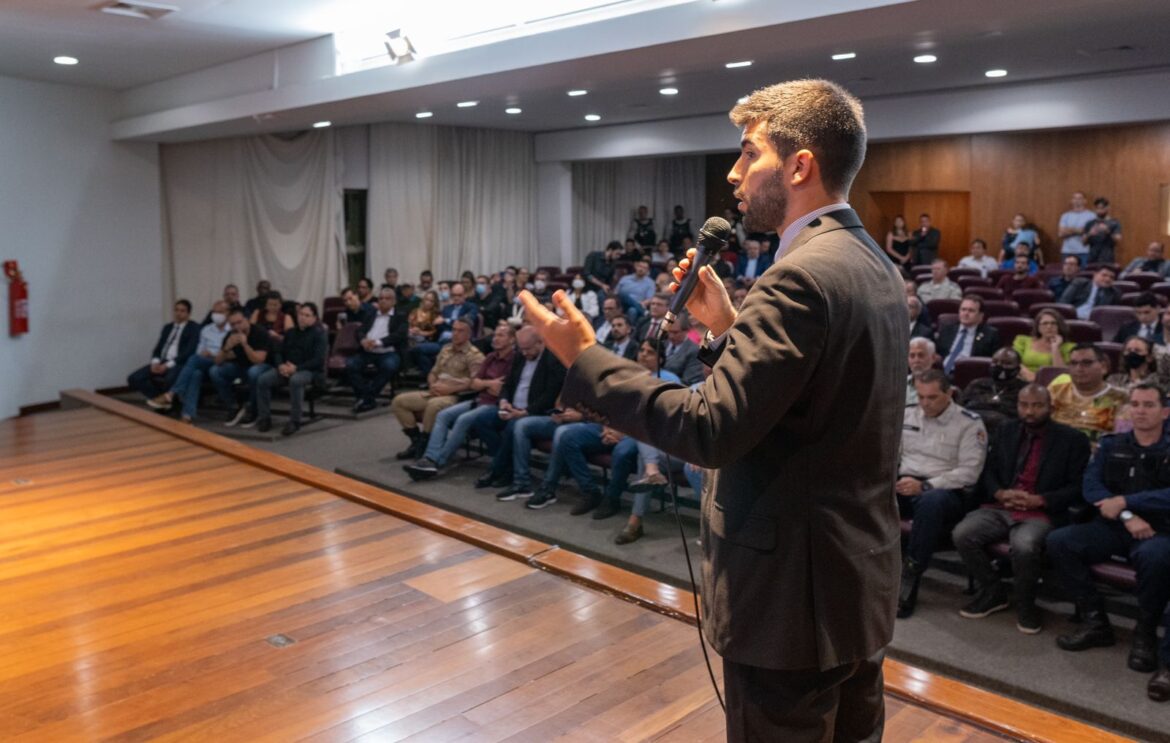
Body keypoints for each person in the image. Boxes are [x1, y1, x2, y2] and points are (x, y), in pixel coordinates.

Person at [518, 78, 905, 741]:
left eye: (748, 153)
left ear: (800, 165)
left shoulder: (799, 276)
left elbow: (709, 428)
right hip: (850, 582)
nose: (733, 173)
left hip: (790, 596)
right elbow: (805, 411)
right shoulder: (869, 262)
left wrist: (585, 357)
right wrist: (725, 329)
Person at [1046, 383, 1170, 701]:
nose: (1141, 410)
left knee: (1156, 559)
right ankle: (1095, 621)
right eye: (1136, 404)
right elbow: (1091, 486)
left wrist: (1127, 502)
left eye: (1149, 404)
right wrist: (1128, 515)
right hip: (1117, 525)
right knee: (1061, 541)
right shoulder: (1112, 443)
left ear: (1165, 411)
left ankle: (1145, 632)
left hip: (1157, 531)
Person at [952, 384, 1090, 634]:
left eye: (1037, 405)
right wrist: (999, 493)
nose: (1029, 411)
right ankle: (994, 591)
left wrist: (1041, 500)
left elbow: (1078, 487)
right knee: (963, 533)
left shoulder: (1072, 440)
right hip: (1001, 505)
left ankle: (1026, 603)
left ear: (1051, 407)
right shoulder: (1006, 430)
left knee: (1025, 546)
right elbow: (988, 470)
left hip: (1040, 510)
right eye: (1024, 405)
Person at [897, 370, 988, 619]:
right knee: (870, 491)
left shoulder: (969, 423)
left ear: (949, 393)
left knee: (931, 503)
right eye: (922, 397)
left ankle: (910, 578)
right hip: (906, 482)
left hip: (946, 492)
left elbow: (969, 473)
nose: (926, 403)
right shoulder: (907, 414)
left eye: (933, 397)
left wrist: (926, 485)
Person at [404, 323, 517, 480]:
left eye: (501, 335)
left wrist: (484, 384)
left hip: (495, 404)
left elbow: (502, 390)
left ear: (512, 340)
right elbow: (475, 382)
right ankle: (428, 457)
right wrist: (489, 384)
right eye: (495, 334)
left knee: (463, 419)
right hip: (479, 399)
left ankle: (436, 462)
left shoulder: (515, 360)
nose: (495, 338)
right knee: (443, 415)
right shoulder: (491, 357)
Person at [478, 327, 566, 499]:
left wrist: (524, 412)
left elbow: (550, 396)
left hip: (535, 412)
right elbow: (508, 384)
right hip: (512, 407)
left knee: (514, 426)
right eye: (522, 348)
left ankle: (498, 470)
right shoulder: (519, 356)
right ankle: (506, 468)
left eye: (528, 349)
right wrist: (504, 401)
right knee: (482, 419)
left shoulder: (552, 360)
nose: (524, 353)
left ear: (540, 343)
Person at [390, 318, 484, 460]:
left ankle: (425, 443)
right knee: (399, 401)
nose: (455, 334)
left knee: (433, 406)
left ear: (469, 334)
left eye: (460, 331)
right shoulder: (446, 349)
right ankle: (416, 442)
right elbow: (434, 372)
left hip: (456, 396)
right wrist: (432, 384)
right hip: (435, 391)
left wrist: (450, 389)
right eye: (454, 330)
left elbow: (474, 383)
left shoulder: (475, 355)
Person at [148, 300, 232, 423]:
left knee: (193, 360)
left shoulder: (232, 329)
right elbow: (199, 350)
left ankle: (171, 394)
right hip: (205, 362)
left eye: (220, 312)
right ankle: (187, 415)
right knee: (195, 374)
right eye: (214, 312)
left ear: (228, 313)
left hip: (223, 362)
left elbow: (231, 353)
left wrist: (213, 353)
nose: (216, 315)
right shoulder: (206, 330)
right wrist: (204, 353)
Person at [255, 302, 327, 435]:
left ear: (314, 318)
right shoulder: (290, 332)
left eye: (307, 315)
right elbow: (278, 352)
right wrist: (280, 365)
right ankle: (264, 418)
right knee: (263, 380)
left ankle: (295, 421)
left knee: (296, 380)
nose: (303, 317)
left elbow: (318, 361)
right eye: (301, 314)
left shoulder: (319, 335)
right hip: (287, 368)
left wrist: (296, 368)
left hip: (308, 370)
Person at [1048, 344, 1127, 442]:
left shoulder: (1122, 398)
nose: (1079, 368)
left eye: (1086, 363)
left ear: (1103, 367)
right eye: (1073, 363)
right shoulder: (1055, 392)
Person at [346, 287, 408, 414]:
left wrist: (378, 342)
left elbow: (400, 335)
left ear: (394, 302)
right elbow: (360, 330)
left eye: (387, 298)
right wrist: (363, 340)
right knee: (350, 364)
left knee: (389, 366)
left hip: (388, 351)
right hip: (368, 351)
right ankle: (366, 398)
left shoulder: (400, 315)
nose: (383, 301)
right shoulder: (371, 314)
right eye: (381, 298)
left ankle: (366, 398)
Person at [209, 308, 272, 427]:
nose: (237, 326)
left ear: (247, 320)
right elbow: (217, 361)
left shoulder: (259, 332)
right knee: (215, 371)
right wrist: (226, 348)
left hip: (263, 367)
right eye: (233, 324)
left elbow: (258, 360)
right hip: (241, 367)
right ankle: (233, 407)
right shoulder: (230, 335)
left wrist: (245, 344)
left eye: (239, 322)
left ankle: (252, 409)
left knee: (254, 372)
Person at [128, 299, 200, 402]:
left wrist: (166, 365)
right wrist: (155, 362)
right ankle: (158, 398)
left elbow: (188, 352)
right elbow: (158, 348)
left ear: (188, 313)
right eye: (176, 310)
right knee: (134, 378)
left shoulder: (193, 328)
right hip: (162, 361)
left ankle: (164, 401)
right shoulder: (168, 327)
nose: (178, 313)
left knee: (170, 379)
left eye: (182, 311)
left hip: (178, 363)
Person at [960, 347, 1027, 433]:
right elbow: (959, 409)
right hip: (968, 431)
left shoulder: (1024, 390)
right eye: (995, 362)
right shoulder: (977, 384)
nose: (999, 365)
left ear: (1017, 369)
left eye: (1006, 363)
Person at [936, 294, 1001, 376]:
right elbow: (937, 354)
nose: (966, 313)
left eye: (971, 311)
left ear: (981, 315)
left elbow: (993, 362)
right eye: (963, 309)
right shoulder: (947, 330)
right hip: (943, 374)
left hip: (971, 375)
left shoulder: (990, 334)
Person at [1013, 309, 1074, 380]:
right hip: (1024, 379)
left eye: (1053, 323)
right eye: (1045, 323)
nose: (1049, 326)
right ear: (1038, 327)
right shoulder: (1023, 341)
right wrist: (1030, 376)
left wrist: (1055, 348)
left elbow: (1062, 374)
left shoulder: (1069, 347)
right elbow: (1014, 362)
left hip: (1052, 384)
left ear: (1059, 326)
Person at [661, 313, 705, 385]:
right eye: (669, 332)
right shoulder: (662, 344)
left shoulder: (694, 351)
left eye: (675, 332)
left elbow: (689, 381)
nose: (671, 336)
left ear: (686, 331)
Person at [1083, 197, 1122, 265]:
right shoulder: (1090, 223)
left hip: (1107, 258)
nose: (1100, 210)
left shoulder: (1114, 222)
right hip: (1092, 258)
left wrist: (1108, 231)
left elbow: (1118, 240)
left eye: (1102, 208)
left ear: (1107, 208)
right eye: (1097, 208)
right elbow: (1083, 242)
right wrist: (1090, 233)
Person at [1058, 192, 1096, 262]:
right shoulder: (1065, 216)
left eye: (1080, 198)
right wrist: (1079, 230)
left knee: (1084, 273)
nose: (1077, 200)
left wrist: (1070, 230)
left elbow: (1091, 232)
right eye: (1075, 198)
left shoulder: (1091, 216)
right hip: (1067, 251)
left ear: (1085, 201)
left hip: (1084, 251)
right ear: (1071, 201)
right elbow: (1061, 234)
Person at [906, 338, 937, 407]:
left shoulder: (941, 386)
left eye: (921, 355)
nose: (916, 360)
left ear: (933, 358)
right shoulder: (898, 384)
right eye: (912, 356)